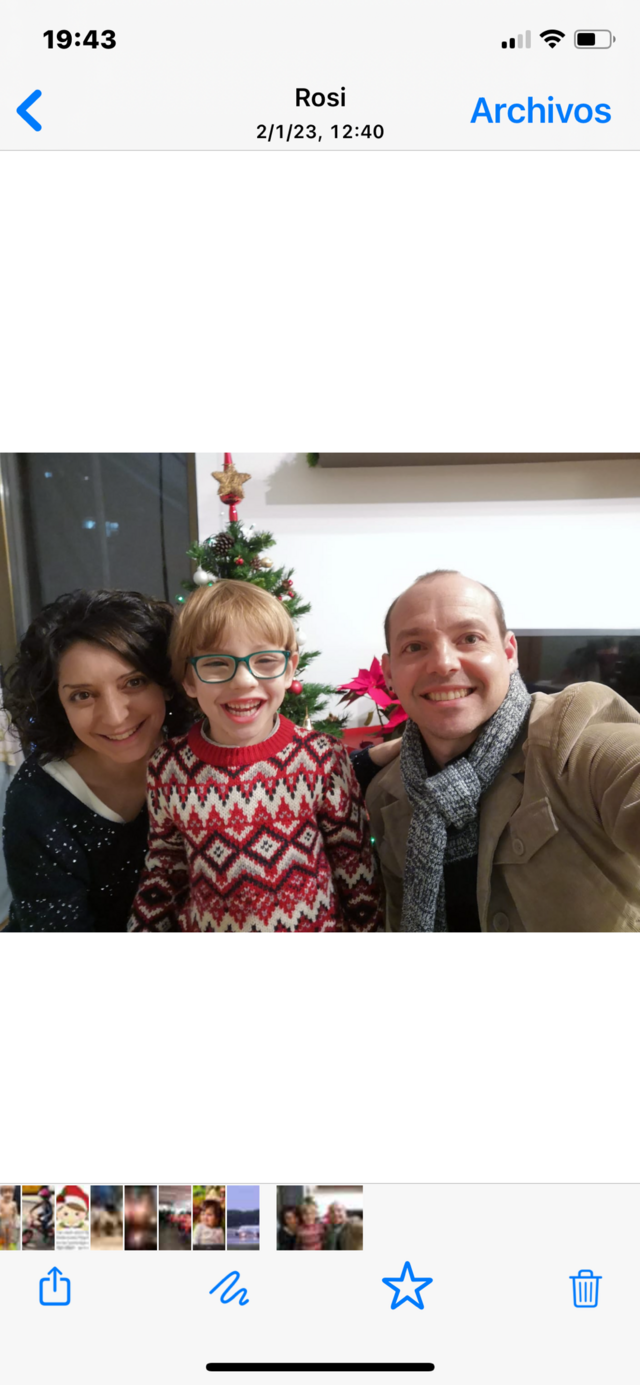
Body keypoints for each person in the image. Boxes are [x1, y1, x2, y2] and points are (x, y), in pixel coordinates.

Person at [367, 569, 640, 932]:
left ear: (509, 653)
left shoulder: (571, 734)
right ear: (389, 673)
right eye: (415, 647)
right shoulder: (385, 796)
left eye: (470, 638)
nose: (443, 663)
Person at [130, 580, 383, 932]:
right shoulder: (167, 766)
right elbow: (164, 870)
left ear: (289, 669)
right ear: (188, 680)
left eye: (265, 660)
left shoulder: (322, 757)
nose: (244, 681)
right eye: (216, 663)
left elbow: (356, 871)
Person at [2, 589, 191, 932]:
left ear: (165, 682)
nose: (115, 717)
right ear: (58, 704)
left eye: (134, 682)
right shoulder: (37, 800)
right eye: (83, 695)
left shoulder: (199, 761)